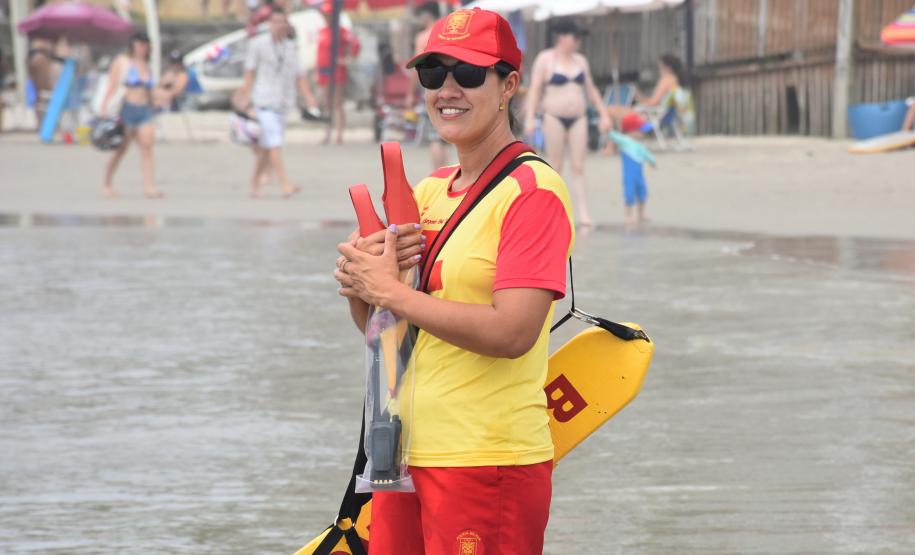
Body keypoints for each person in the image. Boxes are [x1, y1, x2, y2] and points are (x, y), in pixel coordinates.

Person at [334, 8, 574, 554]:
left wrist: (392, 292)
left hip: (486, 459)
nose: (447, 89)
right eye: (433, 74)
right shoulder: (428, 190)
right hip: (400, 456)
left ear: (509, 84)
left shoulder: (533, 191)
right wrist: (361, 285)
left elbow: (513, 333)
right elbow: (385, 329)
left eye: (468, 74)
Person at [524, 19, 611, 228]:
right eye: (575, 37)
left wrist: (604, 114)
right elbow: (535, 89)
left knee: (579, 166)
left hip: (578, 117)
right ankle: (553, 211)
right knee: (555, 166)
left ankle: (582, 212)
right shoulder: (546, 59)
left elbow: (591, 90)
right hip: (553, 115)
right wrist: (529, 118)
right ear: (562, 37)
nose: (578, 42)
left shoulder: (580, 61)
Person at [239, 7, 319, 198]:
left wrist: (308, 96)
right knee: (274, 142)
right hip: (263, 100)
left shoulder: (290, 47)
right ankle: (285, 184)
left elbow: (299, 75)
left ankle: (254, 182)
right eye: (276, 22)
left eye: (283, 22)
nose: (279, 25)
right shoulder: (258, 44)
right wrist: (244, 97)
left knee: (267, 147)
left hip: (283, 101)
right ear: (269, 24)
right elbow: (250, 72)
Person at [99, 32, 163, 199]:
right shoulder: (123, 62)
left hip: (143, 109)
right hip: (126, 108)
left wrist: (155, 103)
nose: (142, 47)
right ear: (133, 45)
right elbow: (112, 86)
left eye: (145, 44)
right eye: (139, 43)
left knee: (147, 147)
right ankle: (107, 183)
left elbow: (150, 89)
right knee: (121, 149)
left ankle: (149, 186)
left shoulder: (147, 65)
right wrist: (104, 107)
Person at [405, 1, 449, 169]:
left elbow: (417, 68)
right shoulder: (447, 35)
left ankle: (439, 174)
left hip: (432, 86)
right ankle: (447, 171)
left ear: (426, 15)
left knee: (435, 136)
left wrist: (410, 93)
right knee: (446, 135)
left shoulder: (423, 37)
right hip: (451, 84)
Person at [606, 53, 695, 135]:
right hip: (658, 115)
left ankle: (612, 146)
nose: (659, 69)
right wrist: (640, 98)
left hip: (649, 116)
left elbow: (653, 103)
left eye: (660, 67)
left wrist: (639, 98)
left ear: (668, 67)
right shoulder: (674, 80)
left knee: (610, 111)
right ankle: (616, 144)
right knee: (613, 111)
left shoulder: (665, 81)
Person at [316, 0, 360, 145]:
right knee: (325, 103)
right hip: (323, 72)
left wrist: (346, 59)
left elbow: (355, 45)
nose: (326, 17)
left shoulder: (341, 31)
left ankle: (339, 134)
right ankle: (326, 130)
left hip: (337, 72)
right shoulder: (322, 31)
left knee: (336, 103)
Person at [606, 112, 656, 227]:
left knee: (643, 192)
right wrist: (609, 130)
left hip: (639, 175)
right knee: (629, 194)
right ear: (631, 131)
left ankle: (641, 214)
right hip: (629, 176)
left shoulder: (639, 145)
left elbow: (646, 154)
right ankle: (628, 216)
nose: (643, 133)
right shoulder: (625, 141)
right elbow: (614, 136)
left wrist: (652, 161)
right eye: (640, 130)